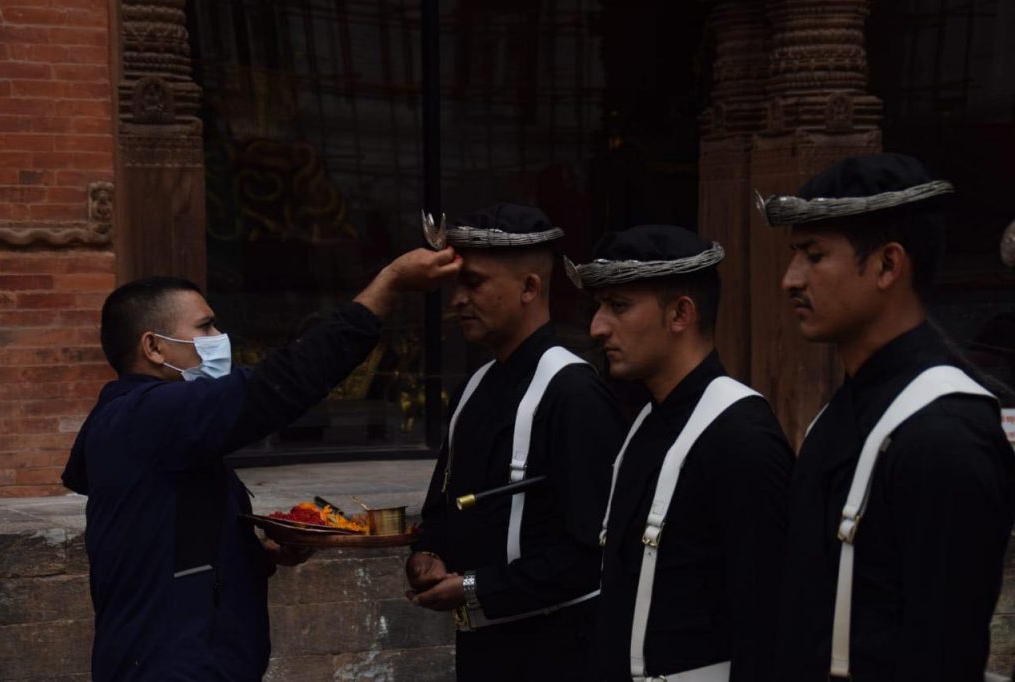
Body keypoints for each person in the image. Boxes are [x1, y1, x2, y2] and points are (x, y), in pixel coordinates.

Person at [61, 247, 460, 681]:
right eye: (205, 326)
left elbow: (171, 548)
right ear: (154, 347)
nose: (219, 337)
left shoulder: (159, 428)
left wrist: (256, 553)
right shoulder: (150, 414)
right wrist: (389, 283)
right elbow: (283, 382)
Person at [758, 153, 1015, 681]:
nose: (789, 280)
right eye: (794, 256)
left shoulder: (944, 435)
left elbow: (942, 654)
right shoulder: (843, 411)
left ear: (887, 265)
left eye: (813, 256)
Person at [405, 203, 626, 681]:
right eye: (456, 284)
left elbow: (593, 554)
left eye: (474, 283)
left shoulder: (574, 393)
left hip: (559, 655)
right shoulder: (472, 389)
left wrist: (473, 587)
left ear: (529, 288)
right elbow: (441, 509)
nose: (457, 300)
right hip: (483, 653)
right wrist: (427, 555)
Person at [565, 224, 794, 682]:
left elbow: (769, 628)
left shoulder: (741, 437)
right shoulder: (646, 424)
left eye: (618, 306)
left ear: (680, 314)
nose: (597, 327)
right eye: (599, 307)